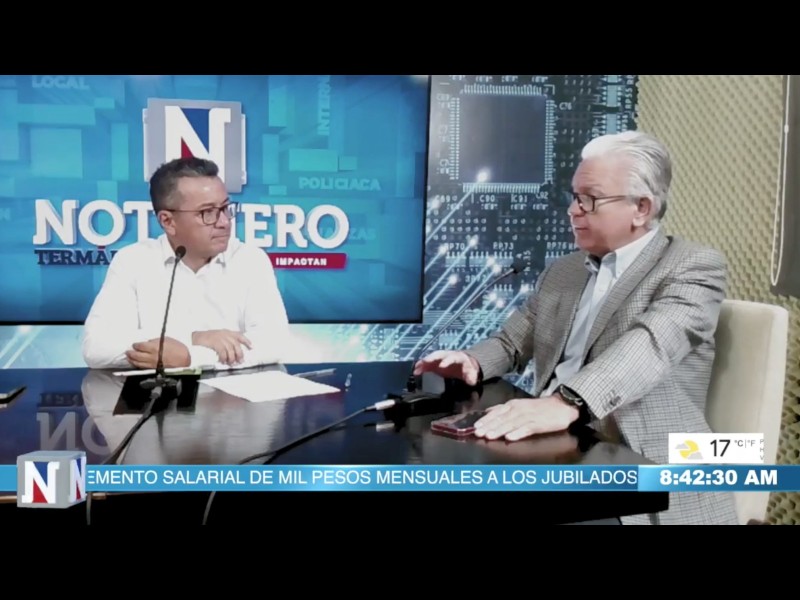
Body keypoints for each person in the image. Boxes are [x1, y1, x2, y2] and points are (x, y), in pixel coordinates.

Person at [414, 131, 738, 525]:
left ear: (641, 208)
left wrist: (565, 403)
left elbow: (651, 345)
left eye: (590, 199)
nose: (573, 210)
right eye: (574, 196)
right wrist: (473, 361)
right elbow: (513, 341)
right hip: (556, 447)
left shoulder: (693, 266)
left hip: (640, 464)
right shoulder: (564, 271)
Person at [82, 157, 291, 371]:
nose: (224, 222)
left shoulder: (250, 260)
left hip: (233, 392)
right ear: (168, 221)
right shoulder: (134, 262)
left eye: (225, 208)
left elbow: (273, 342)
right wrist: (194, 337)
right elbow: (97, 347)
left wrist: (191, 358)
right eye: (207, 212)